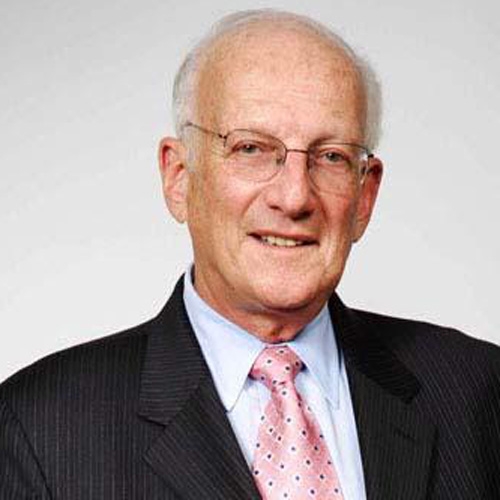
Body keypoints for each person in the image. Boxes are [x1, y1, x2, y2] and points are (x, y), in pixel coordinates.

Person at [1, 9, 499, 500]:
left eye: (331, 156)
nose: (294, 197)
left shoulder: (479, 394)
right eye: (251, 149)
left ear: (365, 196)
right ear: (179, 178)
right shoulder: (41, 429)